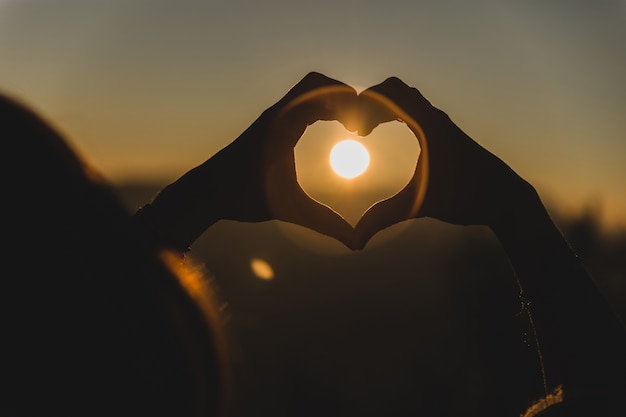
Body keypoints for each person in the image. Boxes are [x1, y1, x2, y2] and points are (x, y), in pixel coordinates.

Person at [1, 72, 624, 416]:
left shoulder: (42, 374)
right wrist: (514, 212)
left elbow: (82, 359)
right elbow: (601, 399)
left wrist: (188, 207)